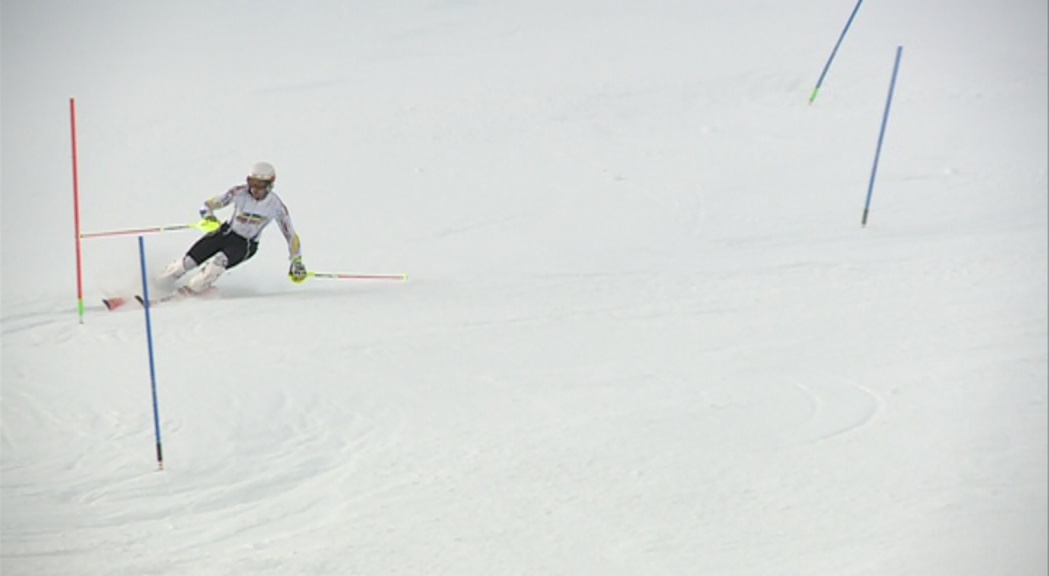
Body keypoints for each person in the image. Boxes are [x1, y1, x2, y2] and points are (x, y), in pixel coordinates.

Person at [157, 161, 307, 293]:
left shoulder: (276, 206)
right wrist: (209, 218)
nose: (254, 189)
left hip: (245, 244)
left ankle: (192, 290)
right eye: (252, 183)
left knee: (218, 263)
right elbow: (207, 205)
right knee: (189, 261)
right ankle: (160, 282)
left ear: (269, 186)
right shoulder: (239, 192)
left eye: (260, 186)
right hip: (226, 232)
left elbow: (291, 236)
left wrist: (297, 261)